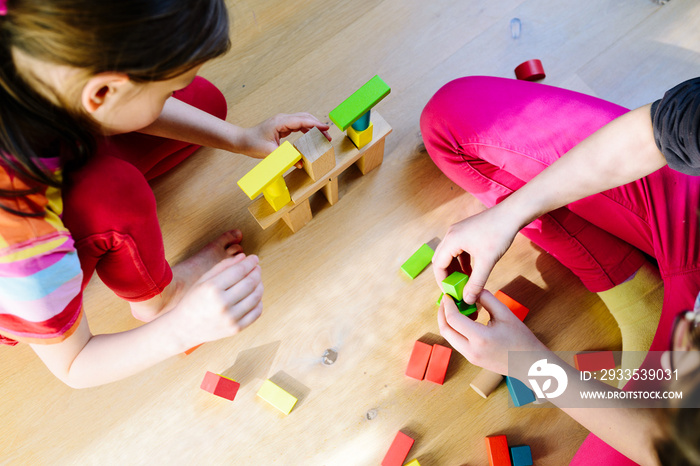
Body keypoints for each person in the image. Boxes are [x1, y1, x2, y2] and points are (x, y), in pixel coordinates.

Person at [0, 0, 329, 389]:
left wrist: (241, 139)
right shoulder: (22, 238)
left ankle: (109, 134)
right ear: (101, 91)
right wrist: (183, 327)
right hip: (16, 290)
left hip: (50, 135)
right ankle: (158, 300)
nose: (179, 91)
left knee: (209, 104)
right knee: (113, 192)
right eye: (171, 88)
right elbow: (75, 367)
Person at [420, 75, 700, 465]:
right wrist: (509, 214)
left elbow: (675, 453)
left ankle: (649, 308)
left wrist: (530, 364)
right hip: (688, 218)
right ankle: (636, 290)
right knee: (449, 118)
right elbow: (655, 132)